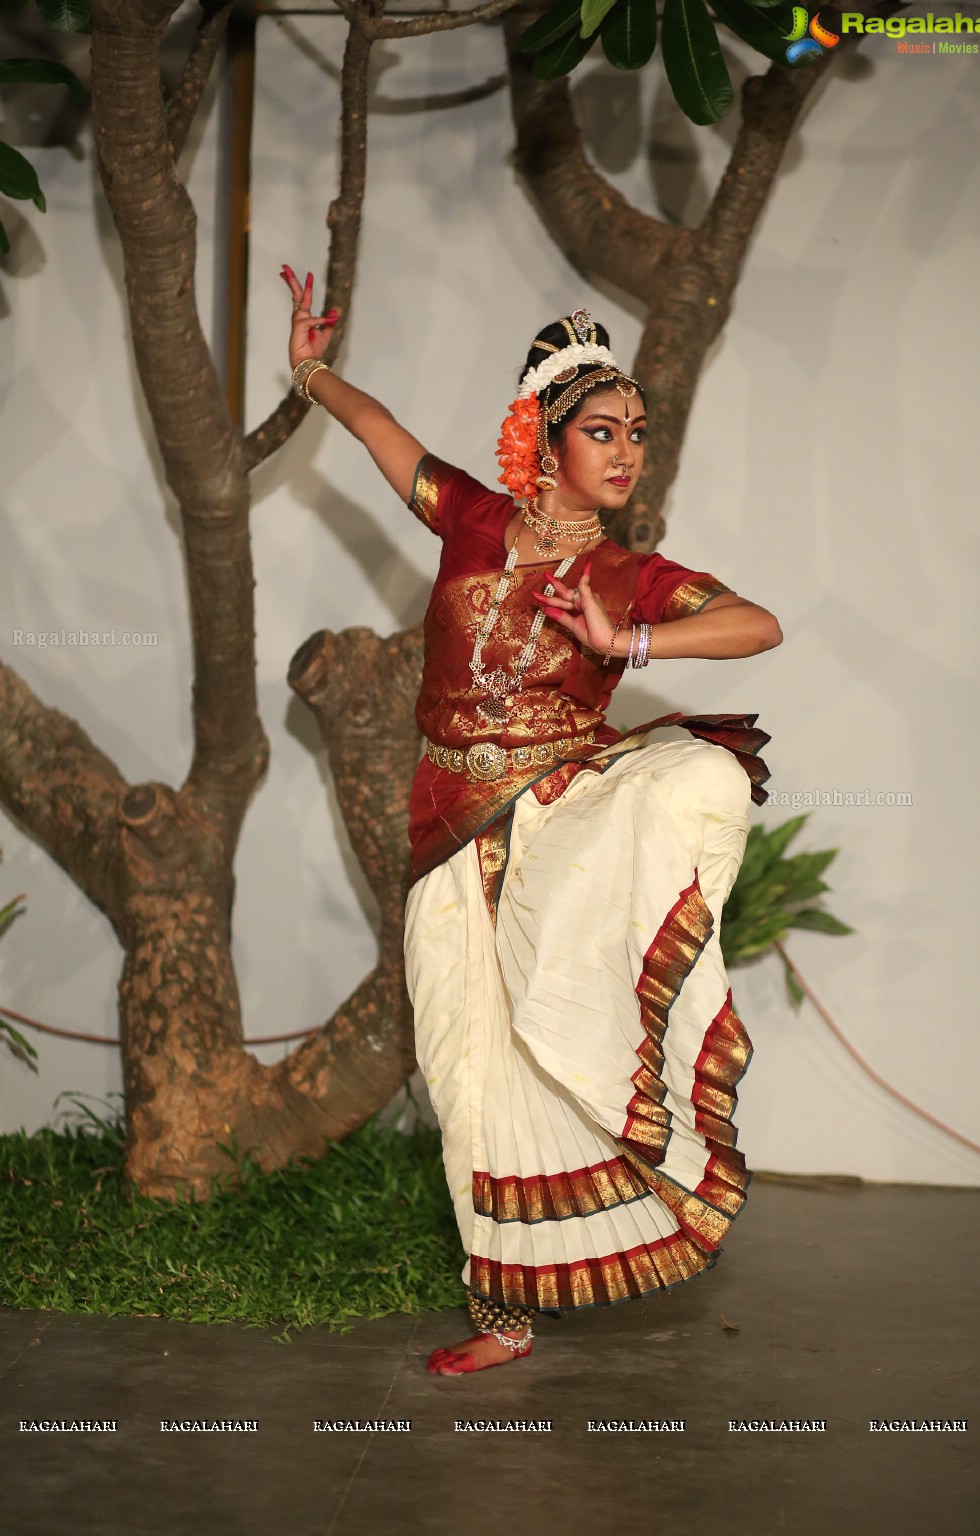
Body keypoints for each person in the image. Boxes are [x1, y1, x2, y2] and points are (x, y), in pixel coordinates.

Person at [280, 266, 783, 1376]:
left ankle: (629, 1192)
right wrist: (310, 369)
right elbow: (382, 436)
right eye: (601, 429)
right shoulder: (467, 516)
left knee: (576, 999)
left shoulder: (625, 573)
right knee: (467, 1071)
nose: (625, 451)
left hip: (551, 823)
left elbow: (756, 627)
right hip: (441, 832)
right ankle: (504, 1308)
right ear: (543, 441)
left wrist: (629, 646)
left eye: (637, 434)